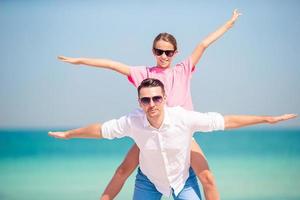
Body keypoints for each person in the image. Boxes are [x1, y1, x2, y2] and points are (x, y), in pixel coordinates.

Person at [58, 10, 242, 200]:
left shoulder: (183, 70)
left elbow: (203, 44)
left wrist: (228, 24)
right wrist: (80, 61)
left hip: (180, 133)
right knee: (122, 171)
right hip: (148, 133)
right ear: (153, 51)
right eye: (159, 51)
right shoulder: (142, 73)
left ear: (175, 53)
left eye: (168, 52)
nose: (163, 56)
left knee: (207, 177)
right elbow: (112, 65)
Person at [49, 78, 296, 200]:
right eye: (145, 100)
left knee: (207, 178)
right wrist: (70, 134)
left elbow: (225, 121)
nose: (151, 104)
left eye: (156, 98)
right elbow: (100, 130)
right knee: (122, 170)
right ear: (139, 103)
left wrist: (267, 119)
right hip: (148, 181)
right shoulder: (133, 121)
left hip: (183, 180)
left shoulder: (183, 119)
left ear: (164, 98)